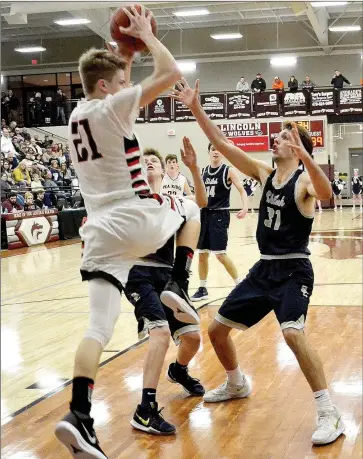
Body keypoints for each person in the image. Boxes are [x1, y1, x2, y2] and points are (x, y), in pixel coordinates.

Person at [54, 7, 200, 459]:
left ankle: (78, 415)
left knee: (98, 326)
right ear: (106, 88)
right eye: (119, 83)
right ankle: (180, 280)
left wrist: (123, 55)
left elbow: (115, 80)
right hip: (133, 218)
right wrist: (146, 39)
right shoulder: (116, 105)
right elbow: (170, 71)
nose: (126, 88)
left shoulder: (80, 112)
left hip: (98, 231)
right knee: (192, 208)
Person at [172, 77, 345, 446]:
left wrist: (308, 155)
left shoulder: (303, 183)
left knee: (292, 332)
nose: (277, 139)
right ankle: (237, 383)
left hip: (294, 268)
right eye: (279, 136)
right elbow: (221, 143)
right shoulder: (265, 174)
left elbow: (327, 194)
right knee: (217, 329)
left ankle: (329, 411)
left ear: (297, 148)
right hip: (263, 268)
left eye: (285, 136)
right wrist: (195, 107)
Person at [124, 139, 207, 435]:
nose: (149, 163)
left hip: (167, 275)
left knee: (194, 338)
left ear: (163, 170)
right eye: (143, 161)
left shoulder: (175, 202)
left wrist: (194, 167)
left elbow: (201, 204)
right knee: (159, 333)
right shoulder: (131, 197)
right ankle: (144, 410)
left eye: (154, 161)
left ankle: (178, 371)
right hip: (137, 273)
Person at [190, 142, 248, 302]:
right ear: (208, 152)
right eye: (213, 149)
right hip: (204, 215)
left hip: (220, 216)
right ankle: (202, 288)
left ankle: (239, 285)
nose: (215, 152)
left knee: (220, 255)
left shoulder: (228, 171)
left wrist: (245, 207)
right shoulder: (203, 172)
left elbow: (242, 190)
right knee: (202, 254)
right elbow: (198, 197)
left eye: (218, 149)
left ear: (222, 153)